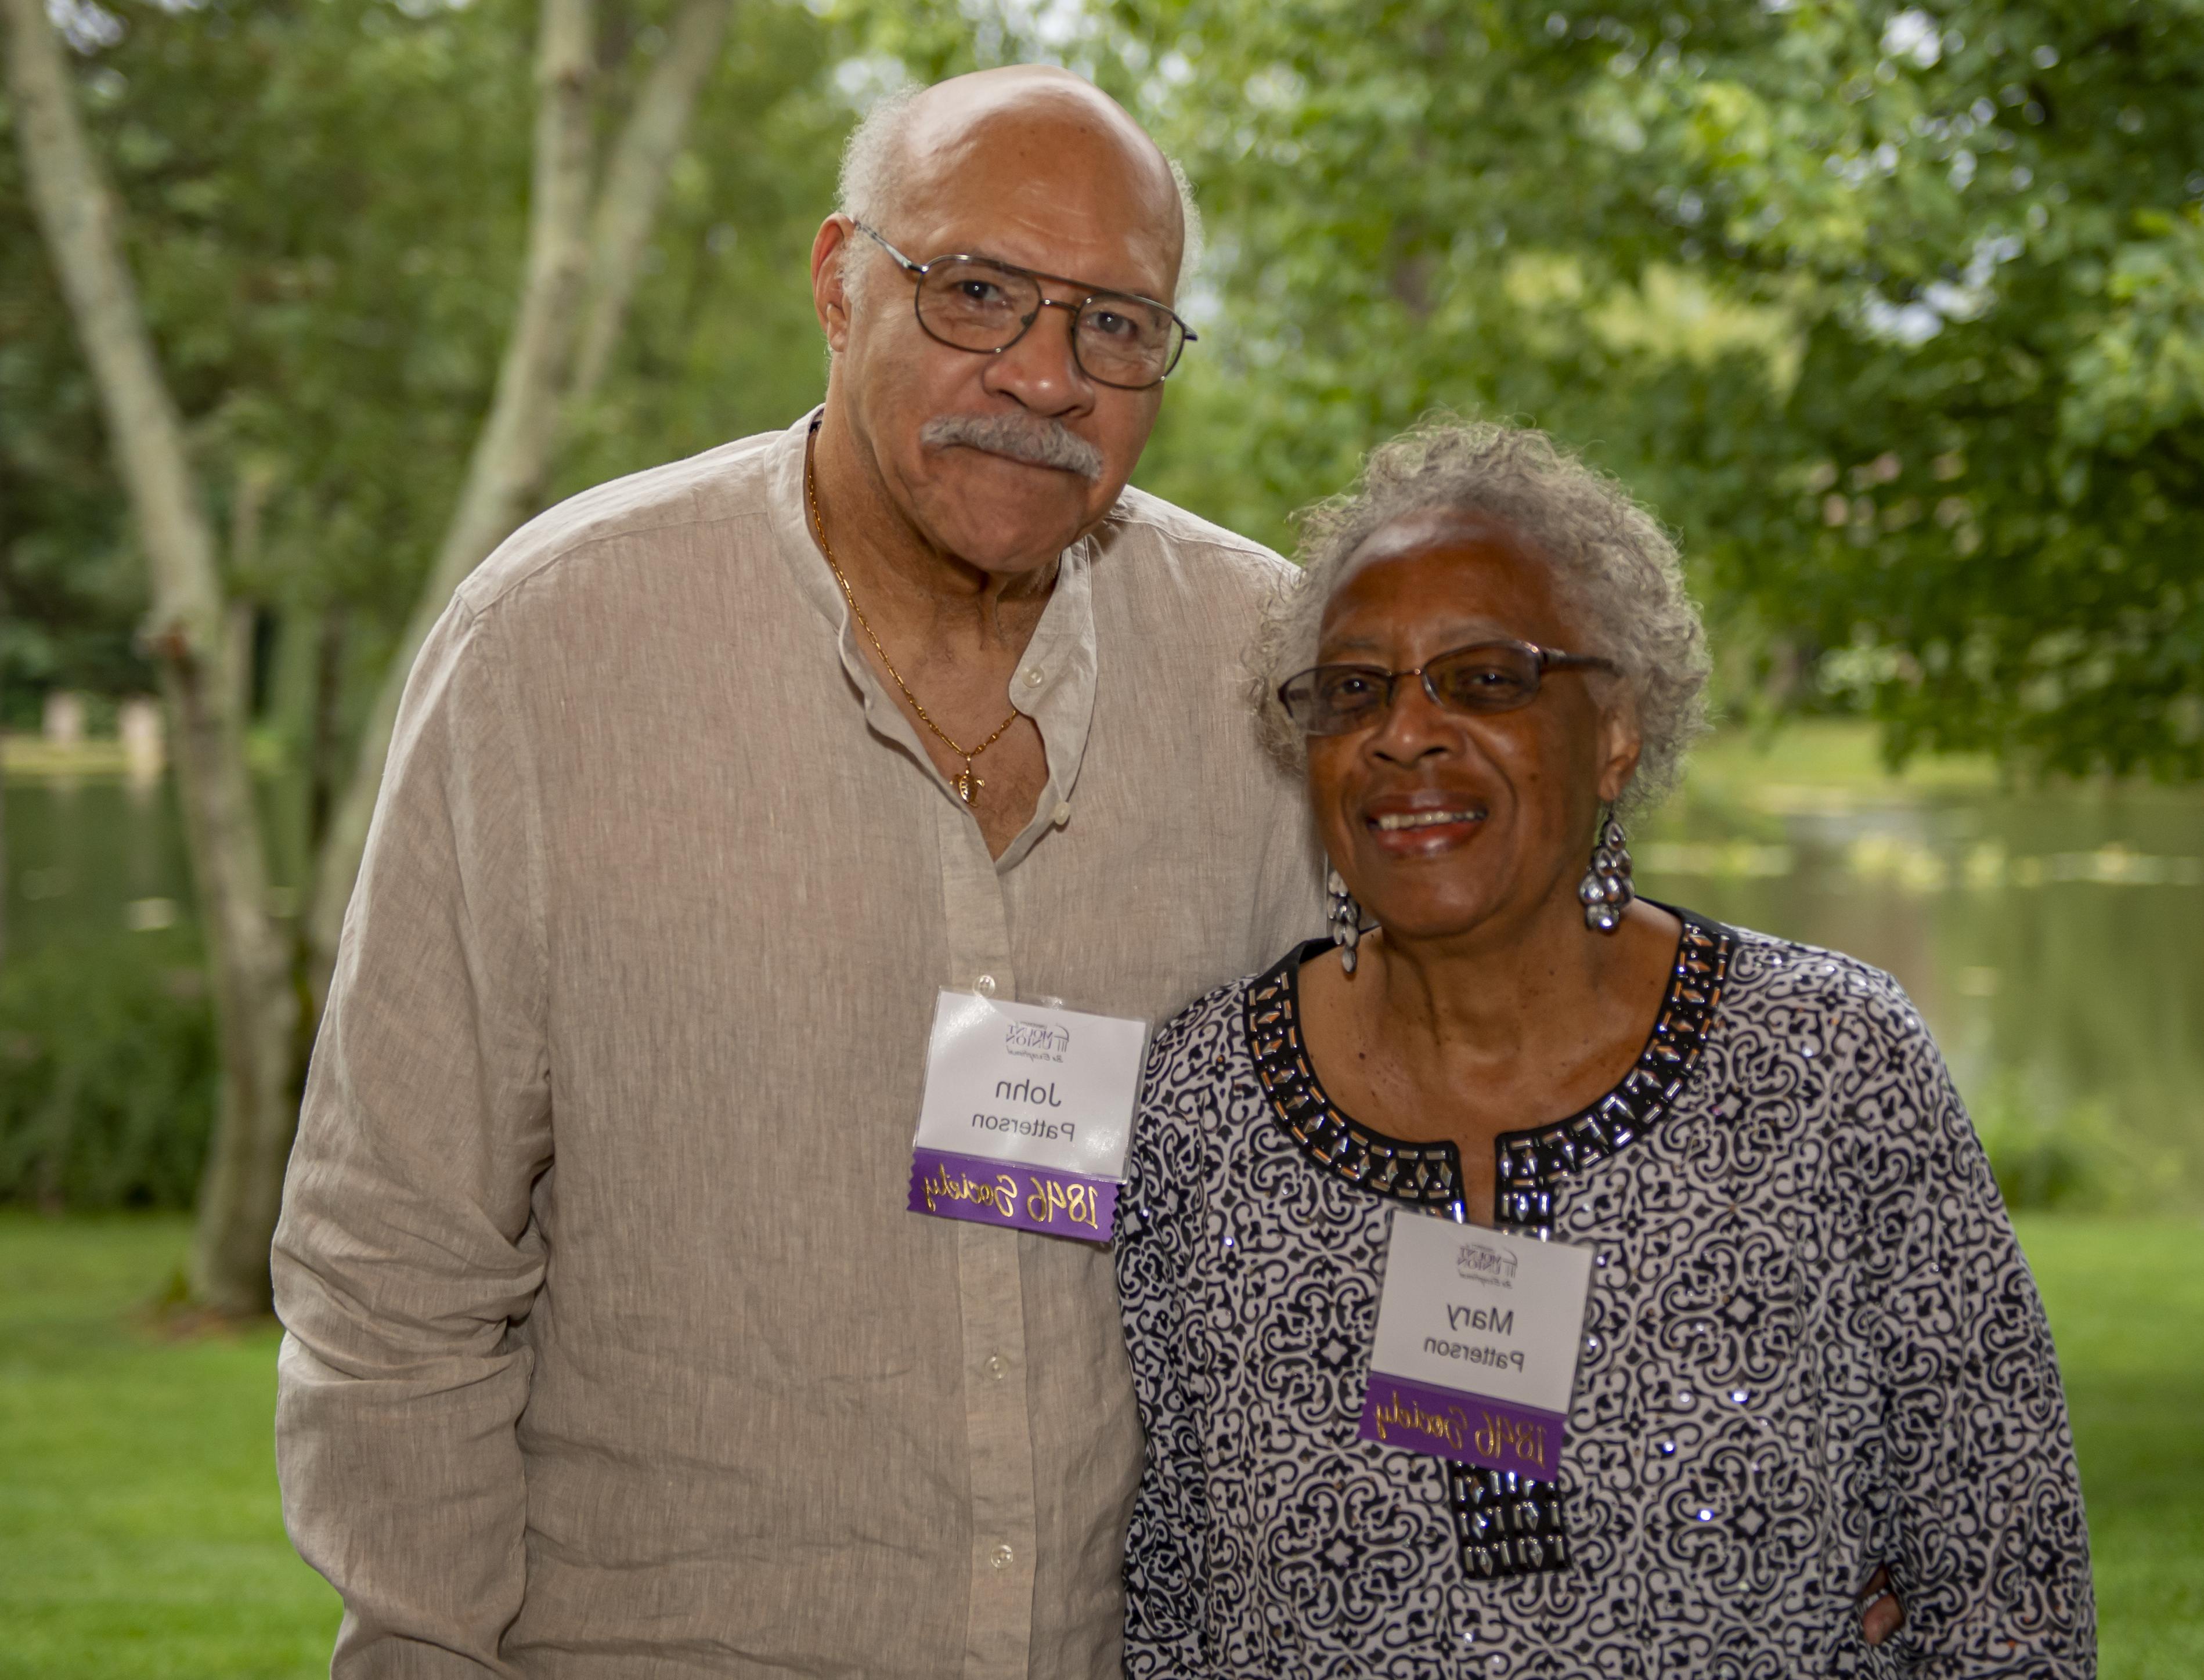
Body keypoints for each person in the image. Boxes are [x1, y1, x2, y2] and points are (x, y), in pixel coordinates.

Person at [272, 67, 1319, 1677]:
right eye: (976, 292)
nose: (1043, 374)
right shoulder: (556, 649)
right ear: (838, 281)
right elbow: (393, 1263)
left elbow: (1429, 1180)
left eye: (1115, 324)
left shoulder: (1265, 678)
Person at [1113, 420, 2096, 1677]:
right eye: (1355, 688)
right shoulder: (1205, 1110)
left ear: (1617, 729)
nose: (1406, 731)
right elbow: (1171, 1609)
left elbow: (2010, 1593)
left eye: (1484, 678)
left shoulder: (1832, 1064)